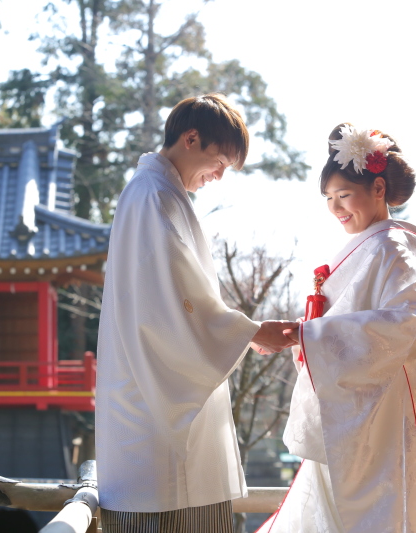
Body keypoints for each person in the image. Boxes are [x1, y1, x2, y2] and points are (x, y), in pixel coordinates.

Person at [95, 94, 299, 533]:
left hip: (150, 395)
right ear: (191, 139)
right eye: (219, 162)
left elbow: (181, 301)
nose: (218, 177)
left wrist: (243, 334)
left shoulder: (158, 193)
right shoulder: (154, 197)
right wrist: (250, 331)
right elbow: (173, 307)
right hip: (152, 411)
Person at [259, 124, 416, 533]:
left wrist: (308, 335)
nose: (336, 207)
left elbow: (404, 322)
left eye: (344, 195)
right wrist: (308, 335)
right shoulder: (379, 244)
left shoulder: (392, 248)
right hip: (351, 402)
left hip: (376, 412)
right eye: (329, 199)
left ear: (378, 189)